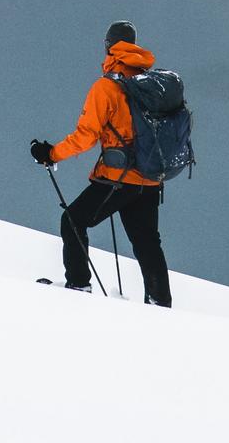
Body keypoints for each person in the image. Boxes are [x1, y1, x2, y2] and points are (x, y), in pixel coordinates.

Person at [31, 21, 173, 305]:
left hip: (118, 179)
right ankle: (160, 302)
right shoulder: (152, 85)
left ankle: (79, 285)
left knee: (72, 221)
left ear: (109, 46)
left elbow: (86, 137)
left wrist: (51, 154)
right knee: (147, 242)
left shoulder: (107, 87)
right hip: (150, 179)